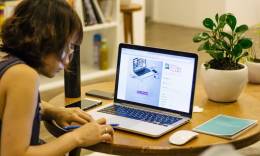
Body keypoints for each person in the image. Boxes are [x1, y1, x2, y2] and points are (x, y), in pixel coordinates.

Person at [0, 0, 113, 155]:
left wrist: (54, 111)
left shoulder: (7, 62)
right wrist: (78, 137)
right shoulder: (24, 76)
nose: (68, 59)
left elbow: (13, 107)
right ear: (48, 37)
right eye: (68, 47)